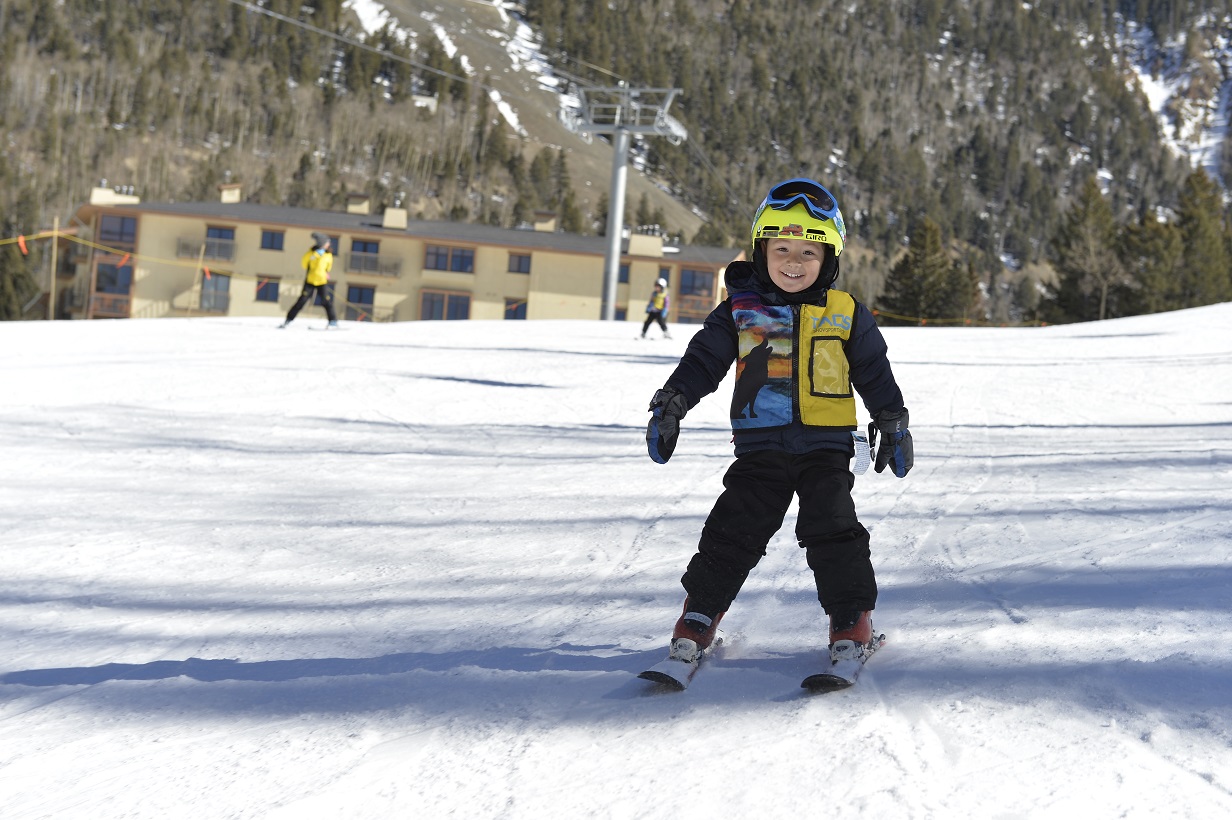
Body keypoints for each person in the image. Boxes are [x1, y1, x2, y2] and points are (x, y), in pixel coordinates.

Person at [644, 177, 913, 671]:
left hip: (826, 448)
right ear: (761, 250)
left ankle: (851, 618)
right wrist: (673, 402)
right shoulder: (740, 312)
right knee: (733, 528)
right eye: (781, 248)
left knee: (832, 527)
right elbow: (703, 361)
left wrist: (893, 420)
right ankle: (700, 614)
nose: (793, 262)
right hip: (760, 447)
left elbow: (875, 372)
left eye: (809, 253)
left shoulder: (847, 313)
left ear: (830, 258)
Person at [281, 232, 338, 328]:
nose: (328, 244)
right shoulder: (310, 253)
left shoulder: (328, 255)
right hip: (310, 281)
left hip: (322, 281)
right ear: (322, 243)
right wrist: (314, 256)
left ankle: (333, 321)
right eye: (327, 242)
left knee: (326, 301)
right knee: (302, 300)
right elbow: (304, 264)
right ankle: (288, 320)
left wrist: (326, 273)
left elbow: (328, 267)